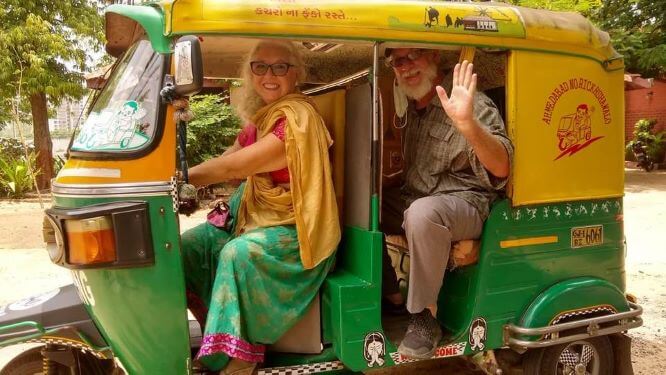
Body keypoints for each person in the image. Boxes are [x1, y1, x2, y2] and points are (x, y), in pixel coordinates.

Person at [182, 40, 340, 375]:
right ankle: (220, 341)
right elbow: (228, 158)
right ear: (250, 73)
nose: (269, 75)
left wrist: (178, 178)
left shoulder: (297, 121)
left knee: (237, 255)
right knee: (189, 247)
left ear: (296, 73)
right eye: (260, 66)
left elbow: (234, 169)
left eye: (280, 67)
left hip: (298, 231)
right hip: (258, 218)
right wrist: (183, 177)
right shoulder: (262, 120)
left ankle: (243, 358)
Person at [381, 48, 513, 359]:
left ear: (435, 56)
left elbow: (502, 167)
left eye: (415, 55)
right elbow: (421, 172)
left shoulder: (470, 101)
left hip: (467, 203)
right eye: (399, 61)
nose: (407, 66)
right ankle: (391, 294)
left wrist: (468, 124)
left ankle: (425, 318)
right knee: (366, 202)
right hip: (422, 197)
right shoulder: (417, 109)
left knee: (422, 214)